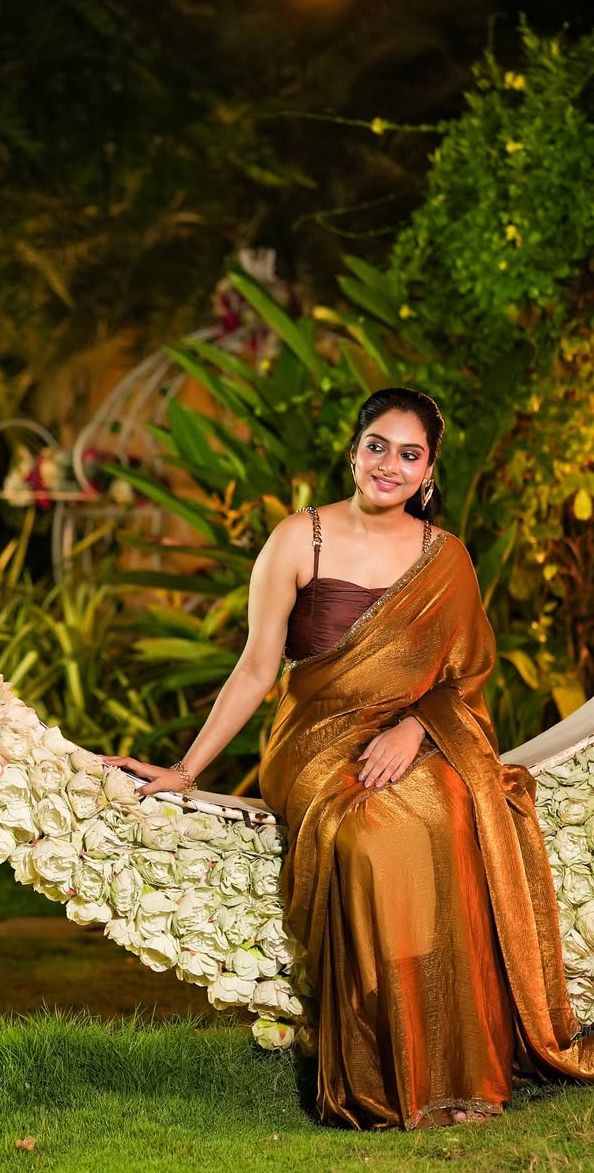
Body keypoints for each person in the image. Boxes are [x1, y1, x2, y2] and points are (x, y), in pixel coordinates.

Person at [102, 387, 594, 1130]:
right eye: (377, 446)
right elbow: (256, 668)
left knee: (452, 809)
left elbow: (464, 677)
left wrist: (416, 729)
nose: (389, 465)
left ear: (428, 470)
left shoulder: (445, 558)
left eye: (409, 454)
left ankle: (453, 1069)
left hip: (414, 736)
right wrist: (187, 770)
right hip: (315, 742)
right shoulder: (299, 539)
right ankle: (387, 1065)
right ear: (354, 450)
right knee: (370, 837)